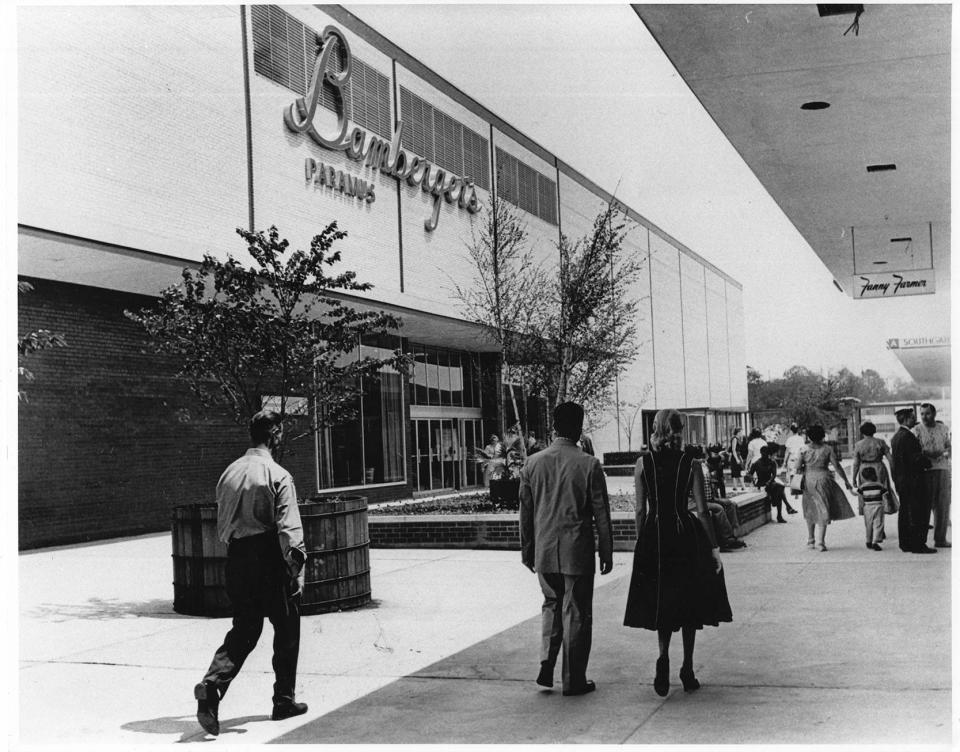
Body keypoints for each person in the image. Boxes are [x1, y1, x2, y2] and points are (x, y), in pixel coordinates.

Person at [194, 410, 308, 737]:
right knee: (286, 628)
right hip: (269, 556)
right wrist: (295, 568)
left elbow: (222, 526)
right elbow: (289, 529)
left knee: (244, 628)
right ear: (274, 434)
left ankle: (212, 686)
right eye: (280, 432)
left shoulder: (228, 473)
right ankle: (283, 700)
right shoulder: (278, 474)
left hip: (237, 558)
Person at [624, 409, 732, 697]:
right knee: (688, 599)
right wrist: (714, 547)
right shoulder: (691, 463)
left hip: (656, 534)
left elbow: (638, 509)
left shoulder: (642, 463)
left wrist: (641, 541)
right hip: (685, 533)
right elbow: (702, 508)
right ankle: (687, 667)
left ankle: (663, 656)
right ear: (679, 430)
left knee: (663, 598)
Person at [519, 402, 613, 696]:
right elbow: (601, 514)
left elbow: (525, 512)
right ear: (579, 427)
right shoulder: (589, 464)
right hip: (577, 550)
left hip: (545, 548)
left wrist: (527, 549)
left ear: (554, 427)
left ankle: (547, 661)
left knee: (551, 605)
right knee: (577, 612)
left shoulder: (533, 463)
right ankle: (573, 679)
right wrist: (606, 552)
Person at [797, 424, 855, 551]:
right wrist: (846, 481)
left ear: (809, 437)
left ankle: (811, 539)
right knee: (823, 507)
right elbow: (837, 466)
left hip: (808, 480)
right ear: (822, 436)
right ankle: (821, 542)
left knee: (810, 508)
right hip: (824, 479)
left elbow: (797, 467)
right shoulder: (827, 449)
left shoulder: (803, 449)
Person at [891, 407, 935, 553]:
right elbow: (915, 459)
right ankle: (918, 545)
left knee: (904, 513)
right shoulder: (908, 437)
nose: (914, 420)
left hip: (902, 481)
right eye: (911, 417)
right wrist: (927, 461)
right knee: (918, 513)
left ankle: (905, 543)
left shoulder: (896, 437)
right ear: (906, 419)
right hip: (914, 481)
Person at [851, 421, 898, 541]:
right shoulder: (880, 442)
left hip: (864, 470)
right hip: (879, 468)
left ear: (862, 432)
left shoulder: (858, 444)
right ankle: (880, 529)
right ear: (874, 430)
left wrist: (854, 478)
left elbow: (856, 463)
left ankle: (870, 529)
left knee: (867, 499)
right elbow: (890, 459)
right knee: (880, 498)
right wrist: (894, 473)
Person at [913, 403, 951, 548]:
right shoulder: (916, 430)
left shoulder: (943, 428)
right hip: (925, 471)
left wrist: (944, 453)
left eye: (927, 413)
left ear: (934, 414)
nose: (924, 417)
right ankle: (920, 540)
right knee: (925, 505)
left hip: (942, 469)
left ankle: (940, 539)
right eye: (922, 414)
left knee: (942, 505)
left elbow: (949, 446)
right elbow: (915, 451)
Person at [749, 444, 797, 522]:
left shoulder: (772, 462)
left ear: (768, 454)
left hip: (770, 482)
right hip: (761, 483)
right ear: (761, 453)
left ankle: (782, 513)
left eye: (767, 454)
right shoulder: (757, 463)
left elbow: (774, 475)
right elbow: (750, 474)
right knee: (780, 489)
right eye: (763, 453)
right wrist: (753, 482)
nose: (765, 455)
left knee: (779, 491)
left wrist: (769, 481)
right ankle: (785, 510)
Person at [856, 466, 888, 551]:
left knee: (868, 525)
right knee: (878, 524)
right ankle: (875, 541)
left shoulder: (862, 487)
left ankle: (868, 541)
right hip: (878, 506)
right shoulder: (879, 485)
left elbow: (858, 495)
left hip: (867, 507)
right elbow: (885, 495)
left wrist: (849, 489)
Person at [782, 424, 806, 495]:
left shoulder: (789, 439)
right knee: (798, 473)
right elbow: (802, 450)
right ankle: (797, 490)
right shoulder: (801, 439)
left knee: (791, 473)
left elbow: (787, 451)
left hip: (792, 458)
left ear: (791, 430)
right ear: (798, 430)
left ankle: (793, 490)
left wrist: (784, 461)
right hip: (799, 457)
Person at [728, 428, 747, 493]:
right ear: (738, 432)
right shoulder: (735, 439)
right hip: (735, 457)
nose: (742, 433)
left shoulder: (738, 439)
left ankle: (735, 487)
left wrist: (740, 458)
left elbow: (737, 450)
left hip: (738, 456)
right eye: (741, 432)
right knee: (739, 471)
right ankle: (743, 486)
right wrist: (736, 459)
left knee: (737, 471)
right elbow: (733, 450)